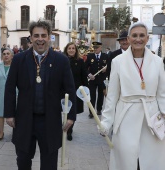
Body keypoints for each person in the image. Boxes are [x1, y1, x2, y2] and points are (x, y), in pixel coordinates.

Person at [4, 19, 76, 170]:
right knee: (23, 160)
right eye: (36, 35)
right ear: (30, 38)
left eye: (44, 35)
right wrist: (9, 114)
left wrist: (71, 116)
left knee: (49, 163)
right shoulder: (19, 60)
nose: (40, 39)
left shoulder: (61, 61)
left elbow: (70, 89)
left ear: (49, 36)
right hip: (24, 120)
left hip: (50, 120)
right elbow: (10, 88)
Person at [98, 22, 165, 170]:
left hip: (152, 119)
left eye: (142, 35)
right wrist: (106, 122)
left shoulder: (158, 62)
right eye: (134, 35)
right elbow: (112, 96)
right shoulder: (117, 62)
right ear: (128, 39)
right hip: (126, 117)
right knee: (127, 161)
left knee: (151, 161)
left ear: (147, 38)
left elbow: (162, 94)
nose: (138, 39)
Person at [63, 42, 88, 140]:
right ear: (66, 50)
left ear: (76, 50)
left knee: (73, 111)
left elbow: (84, 76)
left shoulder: (80, 61)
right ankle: (64, 126)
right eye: (69, 48)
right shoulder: (62, 61)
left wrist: (86, 89)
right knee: (65, 110)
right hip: (64, 90)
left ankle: (69, 131)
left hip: (76, 90)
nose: (71, 50)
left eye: (73, 48)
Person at [85, 42, 108, 118]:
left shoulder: (105, 56)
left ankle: (99, 109)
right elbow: (85, 68)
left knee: (101, 95)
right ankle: (91, 112)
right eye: (94, 48)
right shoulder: (90, 56)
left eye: (97, 48)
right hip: (92, 79)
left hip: (101, 79)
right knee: (92, 96)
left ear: (101, 48)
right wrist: (89, 74)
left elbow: (110, 66)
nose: (95, 49)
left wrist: (106, 69)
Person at [0, 48, 13, 141]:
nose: (6, 55)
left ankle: (15, 131)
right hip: (0, 93)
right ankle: (1, 132)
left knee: (15, 112)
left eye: (8, 53)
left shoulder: (15, 66)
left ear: (11, 56)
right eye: (4, 54)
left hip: (14, 93)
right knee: (0, 113)